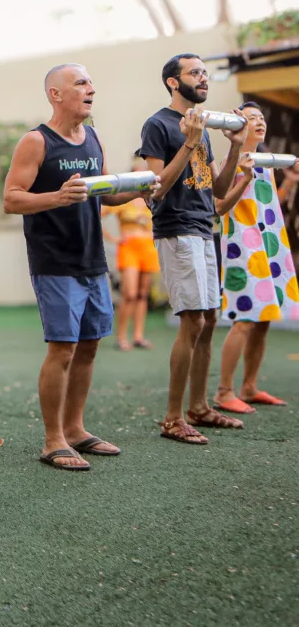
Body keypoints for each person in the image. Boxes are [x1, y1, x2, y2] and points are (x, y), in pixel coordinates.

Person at [4, 64, 154, 471]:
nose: (91, 88)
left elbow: (104, 194)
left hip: (93, 259)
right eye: (81, 83)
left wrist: (140, 187)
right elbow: (12, 199)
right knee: (64, 348)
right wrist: (56, 197)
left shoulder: (94, 138)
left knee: (89, 345)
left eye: (90, 82)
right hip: (54, 260)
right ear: (56, 94)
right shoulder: (36, 142)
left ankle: (75, 429)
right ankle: (52, 440)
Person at [139, 53, 248, 445]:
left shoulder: (201, 128)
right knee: (193, 321)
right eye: (195, 73)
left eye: (205, 73)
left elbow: (217, 189)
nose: (204, 79)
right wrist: (187, 143)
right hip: (176, 229)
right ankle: (172, 418)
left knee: (210, 320)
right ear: (173, 81)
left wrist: (235, 146)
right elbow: (156, 187)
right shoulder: (158, 124)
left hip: (204, 228)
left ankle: (199, 408)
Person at [213, 102, 299, 414]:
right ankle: (224, 392)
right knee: (245, 319)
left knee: (263, 320)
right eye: (251, 118)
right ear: (237, 127)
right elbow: (220, 206)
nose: (260, 122)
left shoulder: (263, 161)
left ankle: (249, 386)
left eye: (262, 117)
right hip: (243, 246)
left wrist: (290, 180)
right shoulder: (232, 160)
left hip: (269, 243)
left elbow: (271, 200)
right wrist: (245, 177)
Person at [102, 156, 161, 351]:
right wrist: (113, 238)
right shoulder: (124, 199)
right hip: (128, 248)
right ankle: (121, 337)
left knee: (143, 294)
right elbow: (96, 215)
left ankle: (138, 335)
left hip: (148, 247)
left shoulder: (151, 199)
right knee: (129, 293)